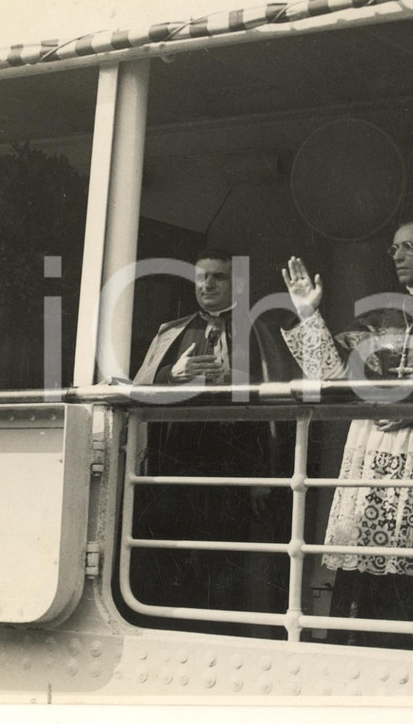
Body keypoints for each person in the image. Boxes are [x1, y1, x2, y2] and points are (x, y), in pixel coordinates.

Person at [281, 221, 413, 650]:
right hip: (377, 453)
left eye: (408, 247)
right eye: (393, 248)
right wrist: (308, 313)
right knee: (369, 578)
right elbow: (331, 377)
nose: (396, 255)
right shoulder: (377, 316)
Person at [130, 249, 297, 636]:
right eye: (201, 277)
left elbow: (278, 405)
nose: (207, 285)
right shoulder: (170, 331)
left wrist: (263, 475)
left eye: (218, 277)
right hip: (175, 462)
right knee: (172, 555)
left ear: (235, 282)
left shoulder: (260, 332)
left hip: (235, 465)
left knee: (227, 561)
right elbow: (138, 390)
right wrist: (173, 373)